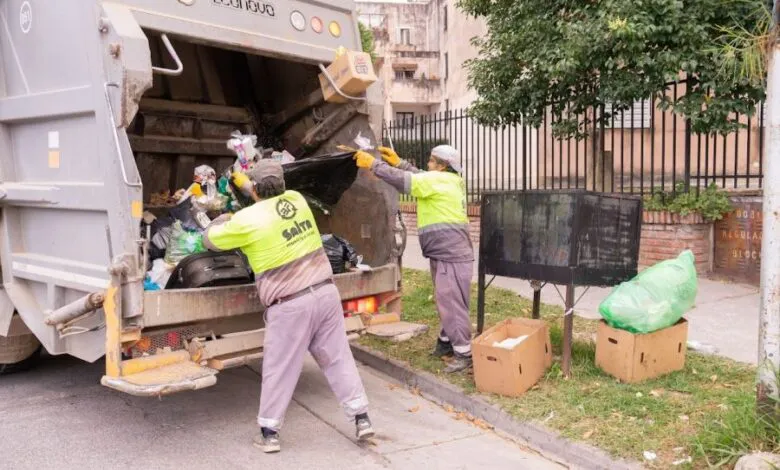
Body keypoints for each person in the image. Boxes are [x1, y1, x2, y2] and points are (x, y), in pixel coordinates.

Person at [203, 160, 374, 453]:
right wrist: (241, 180)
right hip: (325, 294)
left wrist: (222, 219)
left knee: (280, 367)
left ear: (256, 189)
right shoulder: (296, 200)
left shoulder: (246, 220)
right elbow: (265, 194)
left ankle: (269, 432)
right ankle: (361, 418)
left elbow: (210, 241)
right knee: (337, 357)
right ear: (282, 186)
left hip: (290, 304)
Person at [354, 145, 474, 373]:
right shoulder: (449, 180)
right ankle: (447, 343)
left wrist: (373, 164)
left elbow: (404, 181)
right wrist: (400, 163)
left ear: (442, 166)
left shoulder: (439, 182)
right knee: (447, 299)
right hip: (446, 252)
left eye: (431, 161)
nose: (427, 164)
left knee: (451, 302)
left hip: (450, 254)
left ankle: (464, 354)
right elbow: (420, 176)